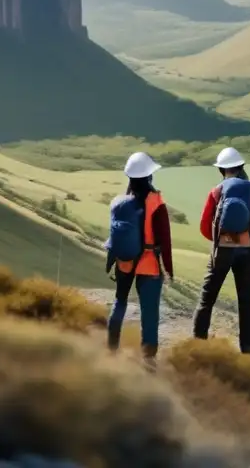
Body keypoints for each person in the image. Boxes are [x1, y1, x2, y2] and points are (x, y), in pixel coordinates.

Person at [192, 146, 250, 354]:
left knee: (207, 300)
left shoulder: (216, 190)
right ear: (241, 166)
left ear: (221, 170)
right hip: (246, 252)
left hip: (222, 251)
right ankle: (248, 351)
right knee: (245, 303)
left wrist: (221, 239)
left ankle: (198, 346)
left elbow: (204, 225)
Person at [105, 151, 174, 368]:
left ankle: (110, 350)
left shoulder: (118, 203)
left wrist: (111, 262)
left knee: (120, 302)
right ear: (149, 176)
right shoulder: (157, 204)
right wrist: (169, 269)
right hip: (149, 264)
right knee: (149, 312)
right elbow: (165, 241)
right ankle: (148, 360)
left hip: (124, 261)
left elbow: (114, 237)